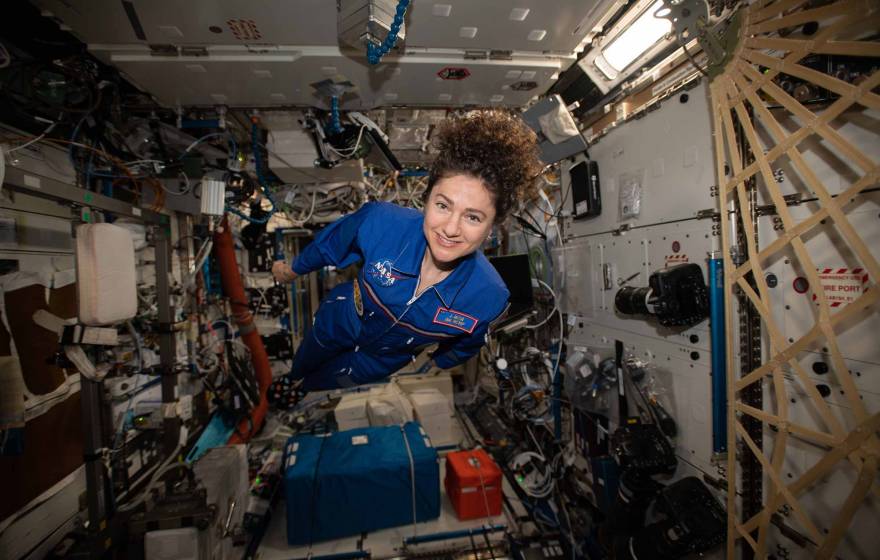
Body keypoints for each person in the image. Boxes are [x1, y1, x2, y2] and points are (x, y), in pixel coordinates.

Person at [272, 110, 542, 391]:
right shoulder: (381, 221)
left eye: (472, 217)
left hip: (382, 360)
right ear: (426, 199)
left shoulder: (490, 297)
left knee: (325, 382)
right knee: (305, 360)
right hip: (343, 317)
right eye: (443, 205)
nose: (450, 229)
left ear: (493, 226)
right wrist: (291, 271)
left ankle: (301, 390)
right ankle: (291, 379)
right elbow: (332, 243)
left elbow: (468, 343)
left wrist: (442, 360)